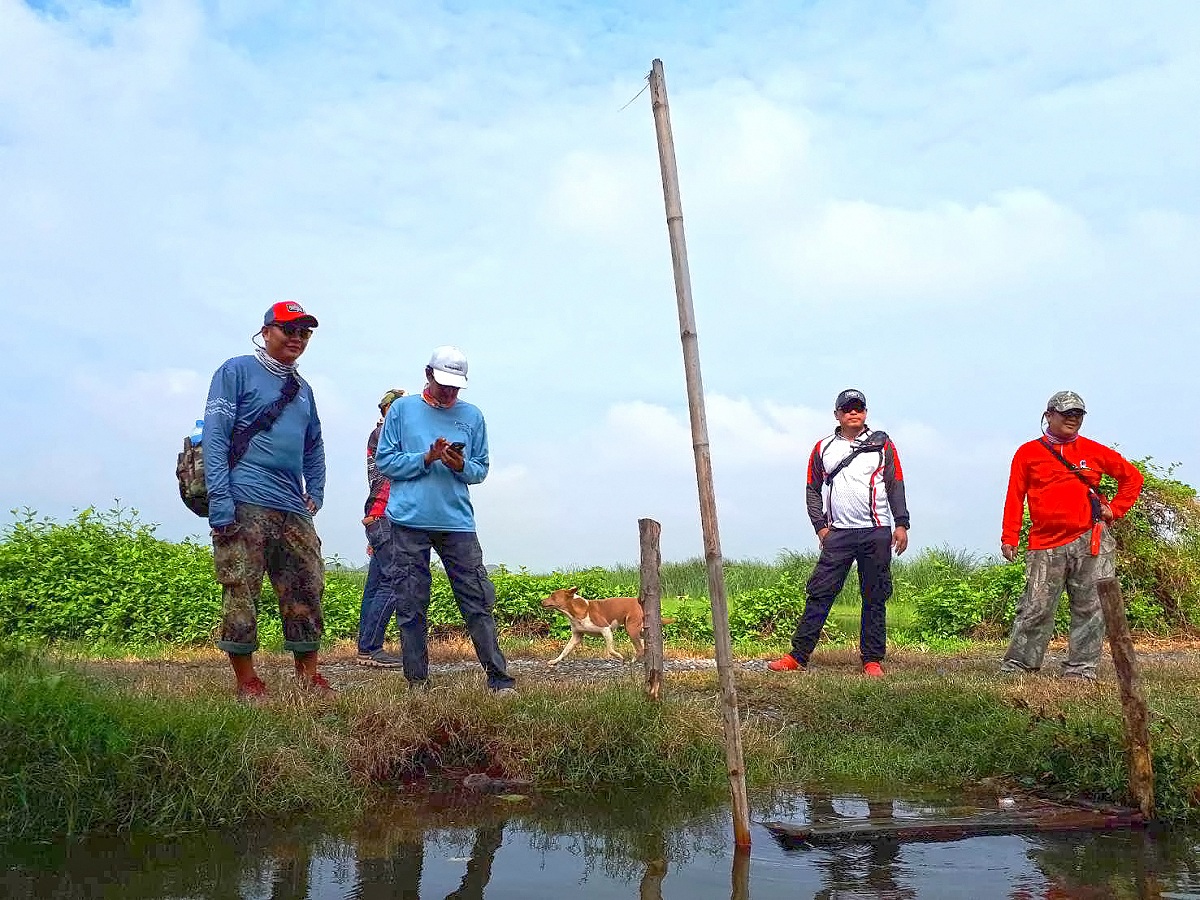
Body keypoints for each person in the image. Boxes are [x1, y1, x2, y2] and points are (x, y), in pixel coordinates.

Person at [203, 301, 332, 700]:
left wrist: (317, 492)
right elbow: (216, 434)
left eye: (304, 332)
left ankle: (308, 676)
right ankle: (247, 681)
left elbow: (314, 445)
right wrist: (221, 501)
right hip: (245, 497)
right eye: (288, 329)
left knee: (307, 586)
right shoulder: (236, 371)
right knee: (241, 587)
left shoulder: (304, 389)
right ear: (266, 331)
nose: (296, 338)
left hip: (292, 504)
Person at [374, 346, 516, 694]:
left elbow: (480, 469)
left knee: (477, 601)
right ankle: (417, 683)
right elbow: (386, 462)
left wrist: (458, 465)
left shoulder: (473, 416)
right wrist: (426, 457)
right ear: (427, 374)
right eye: (443, 384)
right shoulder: (402, 411)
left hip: (457, 523)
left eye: (455, 386)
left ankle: (499, 679)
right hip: (408, 521)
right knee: (410, 602)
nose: (449, 392)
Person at [999, 390, 1144, 679]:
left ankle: (1081, 669)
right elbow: (1015, 496)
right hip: (1045, 542)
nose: (1072, 419)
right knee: (1035, 606)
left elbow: (1132, 478)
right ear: (1049, 415)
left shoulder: (1094, 450)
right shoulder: (1027, 453)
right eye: (1066, 413)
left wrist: (1114, 510)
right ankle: (1019, 665)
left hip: (1090, 540)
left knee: (1090, 607)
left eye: (1077, 414)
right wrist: (1009, 536)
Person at [768, 389, 910, 677]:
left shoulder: (882, 444)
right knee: (820, 593)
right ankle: (798, 656)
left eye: (858, 408)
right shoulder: (823, 447)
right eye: (847, 409)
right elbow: (812, 489)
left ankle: (872, 660)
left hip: (876, 531)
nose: (853, 413)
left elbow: (895, 484)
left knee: (874, 595)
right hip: (838, 535)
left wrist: (901, 523)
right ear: (837, 415)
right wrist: (820, 527)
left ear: (866, 413)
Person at [356, 387, 407, 668]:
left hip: (378, 517)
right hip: (386, 516)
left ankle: (366, 647)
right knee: (392, 582)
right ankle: (371, 648)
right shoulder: (386, 433)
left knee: (376, 585)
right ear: (389, 410)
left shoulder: (378, 435)